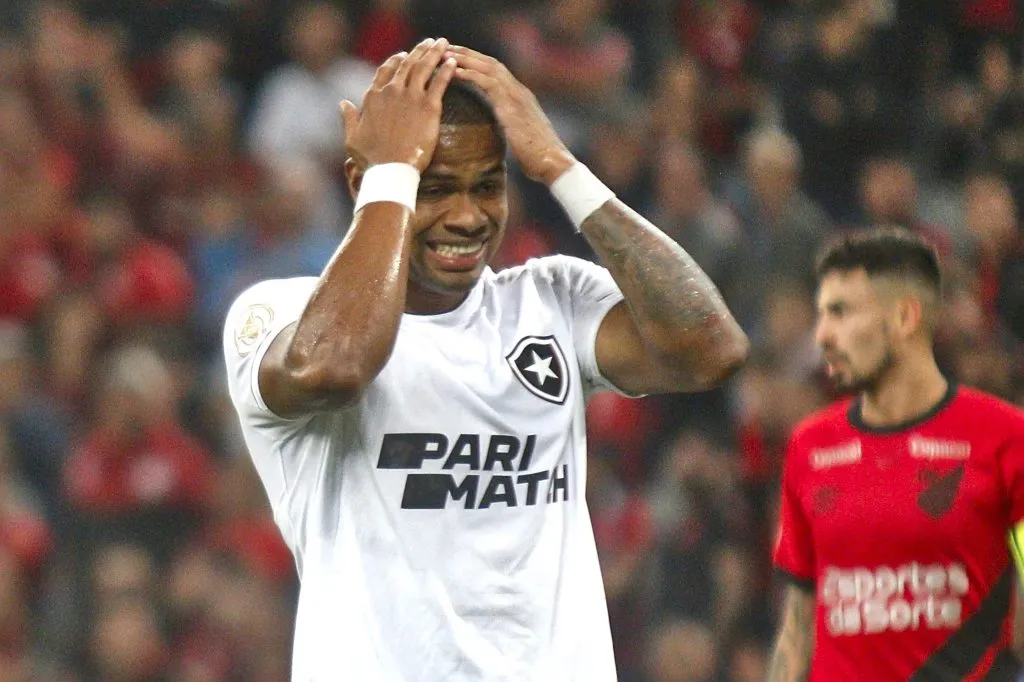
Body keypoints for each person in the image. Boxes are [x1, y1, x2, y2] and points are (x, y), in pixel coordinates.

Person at [222, 37, 749, 681]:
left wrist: (559, 166)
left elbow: (711, 349)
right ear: (363, 182)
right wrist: (392, 176)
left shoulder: (553, 299)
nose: (468, 216)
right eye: (435, 188)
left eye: (487, 186)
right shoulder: (278, 315)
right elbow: (336, 367)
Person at [767, 227, 1024, 681]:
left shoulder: (1006, 440)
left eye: (841, 313)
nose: (822, 336)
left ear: (905, 318)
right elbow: (798, 627)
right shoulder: (811, 447)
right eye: (822, 314)